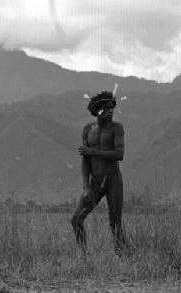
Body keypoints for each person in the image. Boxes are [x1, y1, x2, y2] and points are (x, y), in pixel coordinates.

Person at [71, 91, 126, 254]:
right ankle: (84, 256)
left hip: (113, 179)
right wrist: (86, 186)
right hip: (95, 181)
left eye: (112, 108)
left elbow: (119, 154)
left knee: (115, 222)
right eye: (107, 108)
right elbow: (85, 160)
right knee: (76, 219)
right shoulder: (88, 130)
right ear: (98, 110)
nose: (111, 111)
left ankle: (123, 257)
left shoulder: (117, 128)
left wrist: (92, 152)